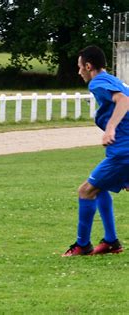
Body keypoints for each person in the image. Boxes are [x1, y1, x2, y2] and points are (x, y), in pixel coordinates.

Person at [62, 45, 129, 256]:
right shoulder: (113, 80)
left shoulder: (98, 82)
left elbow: (124, 101)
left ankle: (82, 245)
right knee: (100, 188)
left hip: (123, 151)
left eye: (79, 67)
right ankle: (111, 241)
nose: (78, 71)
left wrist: (110, 128)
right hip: (123, 149)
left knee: (86, 191)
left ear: (88, 66)